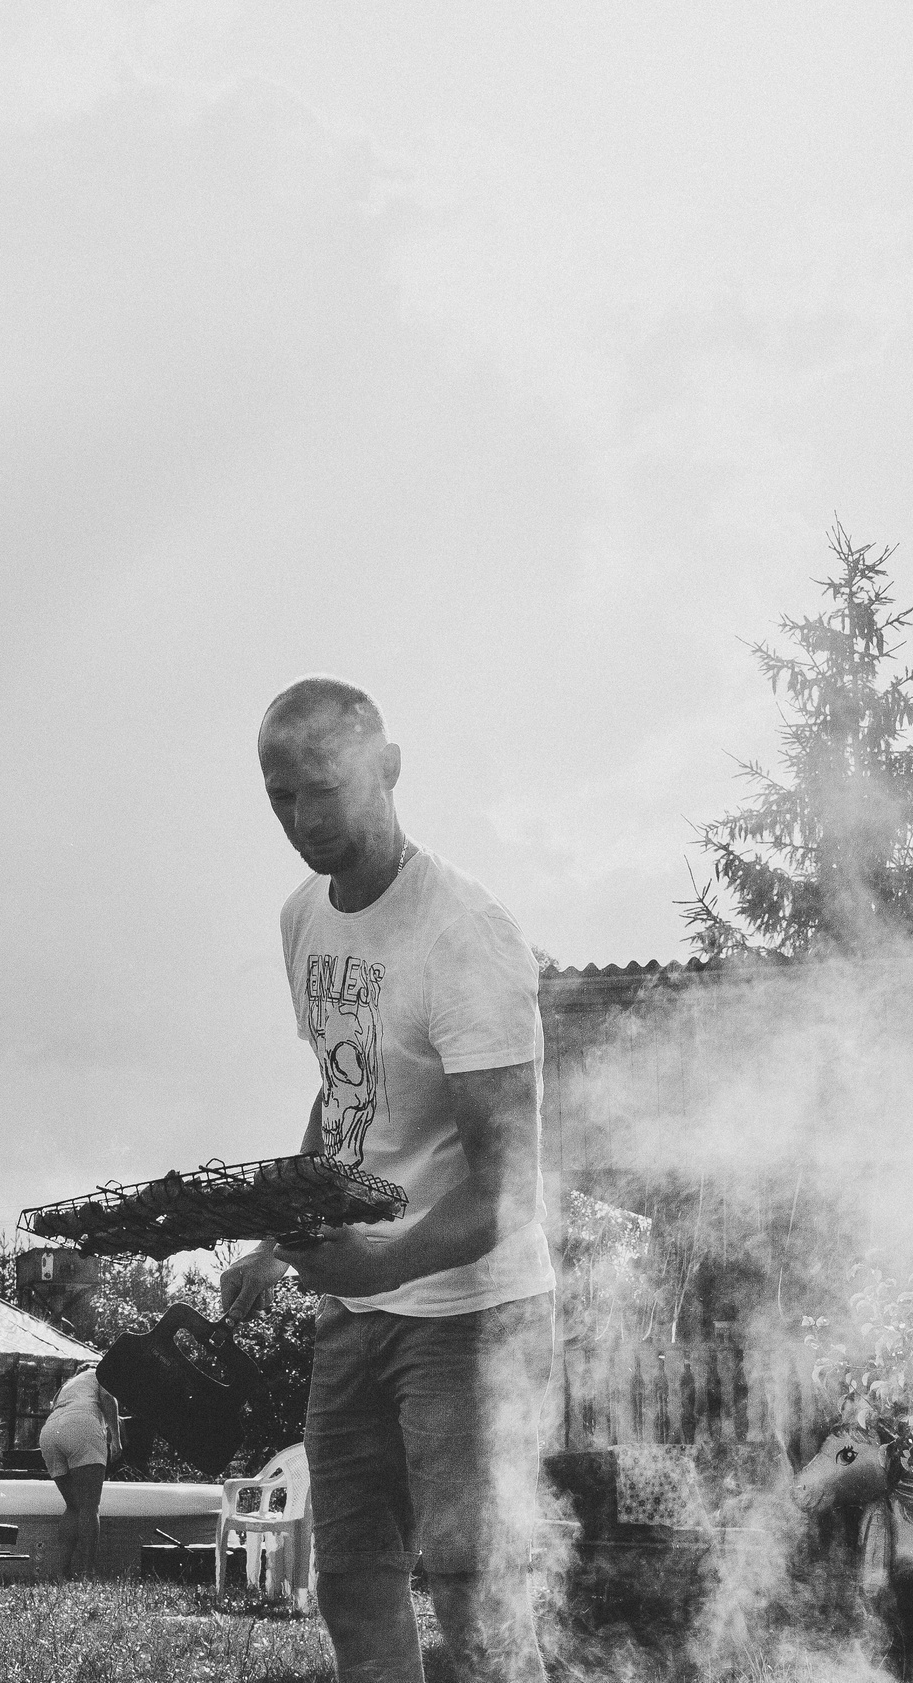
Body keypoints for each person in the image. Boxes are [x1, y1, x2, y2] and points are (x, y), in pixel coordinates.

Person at [221, 677, 554, 1683]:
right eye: (279, 796)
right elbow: (343, 1097)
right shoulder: (301, 921)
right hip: (357, 1310)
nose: (299, 819)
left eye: (318, 789)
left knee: (471, 1579)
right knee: (353, 1576)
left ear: (387, 770)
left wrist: (375, 1266)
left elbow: (508, 1189)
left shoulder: (466, 935)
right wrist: (283, 1238)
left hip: (471, 1307)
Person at [38, 1362, 121, 1579]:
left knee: (73, 1506)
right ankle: (87, 1573)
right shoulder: (98, 1374)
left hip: (50, 1431)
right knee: (89, 1507)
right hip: (81, 1425)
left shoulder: (67, 1386)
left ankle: (61, 1573)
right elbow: (107, 1399)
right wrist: (116, 1440)